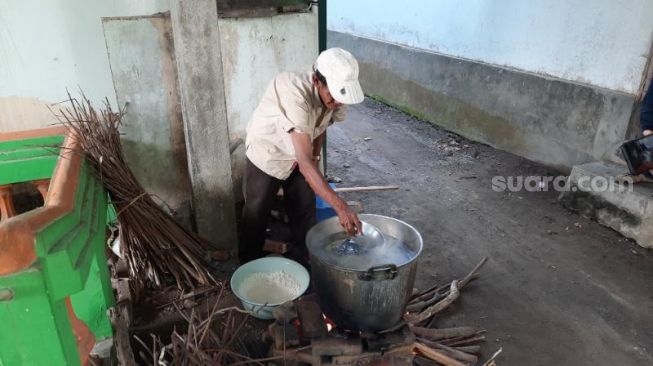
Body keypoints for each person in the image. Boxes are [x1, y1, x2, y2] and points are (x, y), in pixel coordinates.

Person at [239, 48, 364, 265]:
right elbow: (305, 164)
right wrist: (341, 207)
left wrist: (315, 156)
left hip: (301, 155)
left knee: (305, 213)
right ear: (317, 80)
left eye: (341, 98)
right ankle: (249, 266)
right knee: (256, 214)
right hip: (269, 153)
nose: (338, 102)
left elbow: (323, 124)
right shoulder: (293, 90)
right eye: (332, 96)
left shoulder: (338, 97)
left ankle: (303, 264)